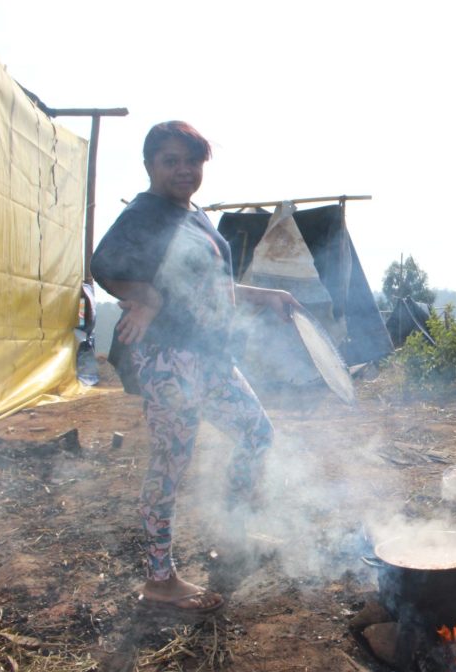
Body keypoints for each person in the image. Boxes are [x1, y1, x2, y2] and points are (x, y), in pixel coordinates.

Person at [91, 121, 301, 613]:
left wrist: (265, 294)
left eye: (192, 160)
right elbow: (102, 266)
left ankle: (233, 534)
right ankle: (160, 579)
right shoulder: (146, 212)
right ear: (149, 165)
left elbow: (210, 287)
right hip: (170, 360)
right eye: (171, 160)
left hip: (210, 356)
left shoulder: (194, 215)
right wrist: (146, 297)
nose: (183, 170)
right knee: (170, 463)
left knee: (256, 434)